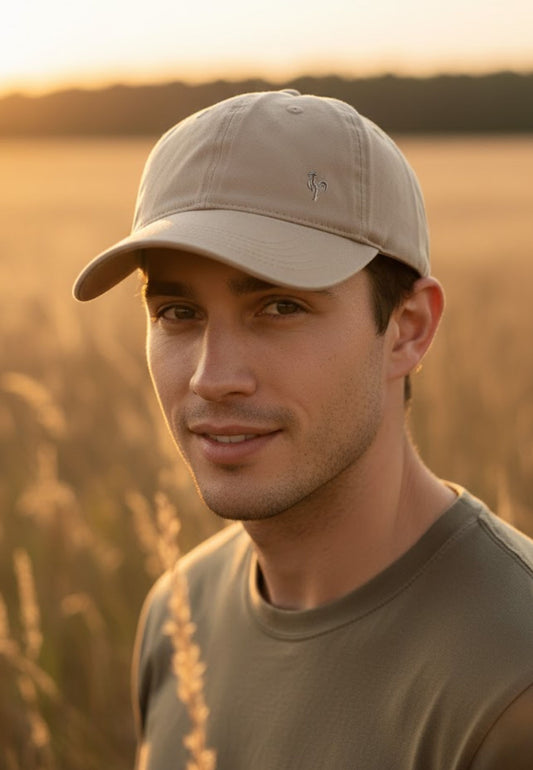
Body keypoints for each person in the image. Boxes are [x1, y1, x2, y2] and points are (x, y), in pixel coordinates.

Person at [73, 90, 533, 769]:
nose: (211, 376)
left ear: (407, 329)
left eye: (279, 305)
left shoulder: (509, 681)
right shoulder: (178, 615)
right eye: (177, 312)